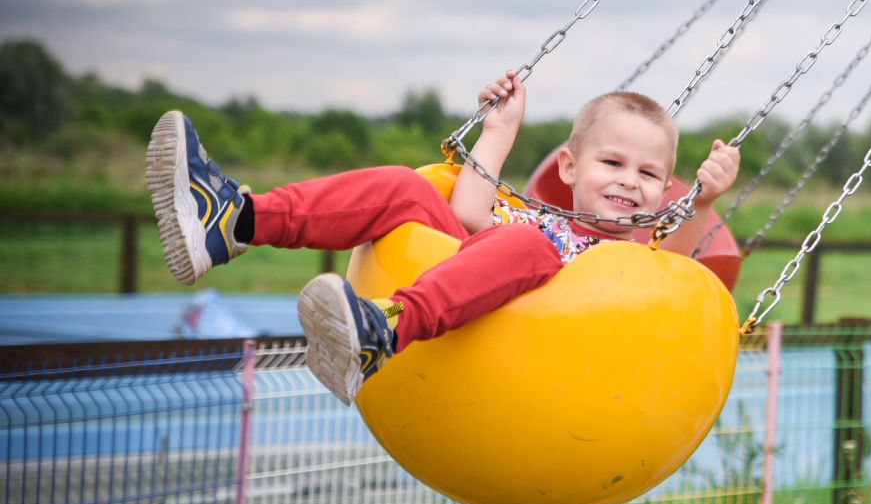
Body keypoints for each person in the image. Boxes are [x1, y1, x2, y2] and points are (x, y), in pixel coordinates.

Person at [146, 72, 741, 404]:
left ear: (667, 190)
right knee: (405, 189)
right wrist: (501, 130)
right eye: (613, 163)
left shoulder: (628, 255)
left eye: (648, 175)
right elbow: (470, 210)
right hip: (481, 283)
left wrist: (704, 201)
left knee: (530, 247)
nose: (629, 183)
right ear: (568, 168)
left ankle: (384, 332)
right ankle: (233, 221)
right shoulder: (542, 223)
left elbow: (677, 270)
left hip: (549, 358)